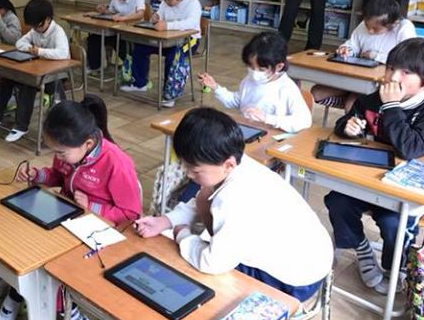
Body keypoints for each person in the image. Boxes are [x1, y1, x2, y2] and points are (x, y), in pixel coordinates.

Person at [134, 108, 333, 302]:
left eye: (195, 170)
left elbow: (212, 263)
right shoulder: (236, 164)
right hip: (312, 258)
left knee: (193, 278)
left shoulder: (234, 198)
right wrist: (165, 221)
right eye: (185, 166)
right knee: (201, 213)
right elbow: (202, 200)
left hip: (293, 282)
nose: (187, 174)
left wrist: (182, 236)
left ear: (228, 164)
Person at [0, 96, 142, 320]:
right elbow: (59, 175)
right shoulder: (69, 150)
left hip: (100, 230)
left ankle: (65, 307)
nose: (58, 156)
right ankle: (18, 291)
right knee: (26, 243)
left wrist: (92, 206)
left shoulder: (116, 162)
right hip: (67, 216)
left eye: (60, 153)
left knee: (57, 263)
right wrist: (38, 175)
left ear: (88, 144)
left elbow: (131, 214)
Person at [324, 38, 424, 294]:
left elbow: (410, 148)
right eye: (390, 68)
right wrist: (347, 128)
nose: (394, 77)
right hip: (368, 181)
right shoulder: (372, 100)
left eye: (406, 72)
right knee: (336, 201)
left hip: (404, 193)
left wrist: (391, 106)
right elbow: (346, 121)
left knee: (394, 224)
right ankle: (361, 248)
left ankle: (395, 267)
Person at [0, 0, 69, 142]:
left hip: (53, 77)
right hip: (37, 71)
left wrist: (39, 51)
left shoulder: (57, 32)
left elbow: (63, 53)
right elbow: (20, 43)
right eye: (33, 27)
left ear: (47, 19)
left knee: (27, 84)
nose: (35, 30)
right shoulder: (35, 30)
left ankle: (21, 126)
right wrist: (30, 48)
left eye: (37, 26)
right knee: (8, 78)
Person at [312, 0, 416, 111]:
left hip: (380, 85)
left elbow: (407, 59)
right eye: (367, 25)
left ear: (392, 24)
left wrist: (375, 56)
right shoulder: (364, 25)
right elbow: (353, 44)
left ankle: (357, 116)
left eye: (376, 29)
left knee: (351, 104)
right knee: (316, 93)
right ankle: (351, 112)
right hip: (356, 78)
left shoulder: (403, 28)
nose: (370, 31)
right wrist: (346, 50)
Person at [198, 31, 312, 133]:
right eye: (251, 67)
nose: (254, 72)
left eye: (261, 69)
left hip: (273, 136)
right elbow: (237, 101)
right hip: (250, 131)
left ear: (279, 67)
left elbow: (304, 121)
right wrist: (215, 87)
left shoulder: (286, 88)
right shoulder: (249, 80)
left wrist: (267, 118)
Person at [120, 0, 201, 107]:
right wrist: (155, 17)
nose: (167, 2)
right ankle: (140, 83)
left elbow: (191, 24)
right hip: (166, 39)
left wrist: (167, 25)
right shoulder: (165, 2)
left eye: (169, 0)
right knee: (140, 47)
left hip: (188, 41)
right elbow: (160, 15)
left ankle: (169, 94)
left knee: (173, 56)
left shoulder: (193, 4)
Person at [86, 0, 145, 71]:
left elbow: (140, 14)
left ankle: (131, 68)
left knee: (122, 46)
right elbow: (112, 11)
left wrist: (123, 18)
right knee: (94, 39)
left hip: (130, 34)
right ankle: (95, 68)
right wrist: (104, 10)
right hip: (116, 31)